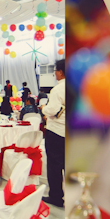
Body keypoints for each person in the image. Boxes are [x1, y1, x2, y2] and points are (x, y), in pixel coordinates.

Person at [41, 59, 65, 208]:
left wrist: (43, 108)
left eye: (55, 70)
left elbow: (52, 109)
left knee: (54, 166)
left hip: (56, 132)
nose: (54, 73)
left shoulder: (58, 89)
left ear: (60, 72)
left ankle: (56, 197)